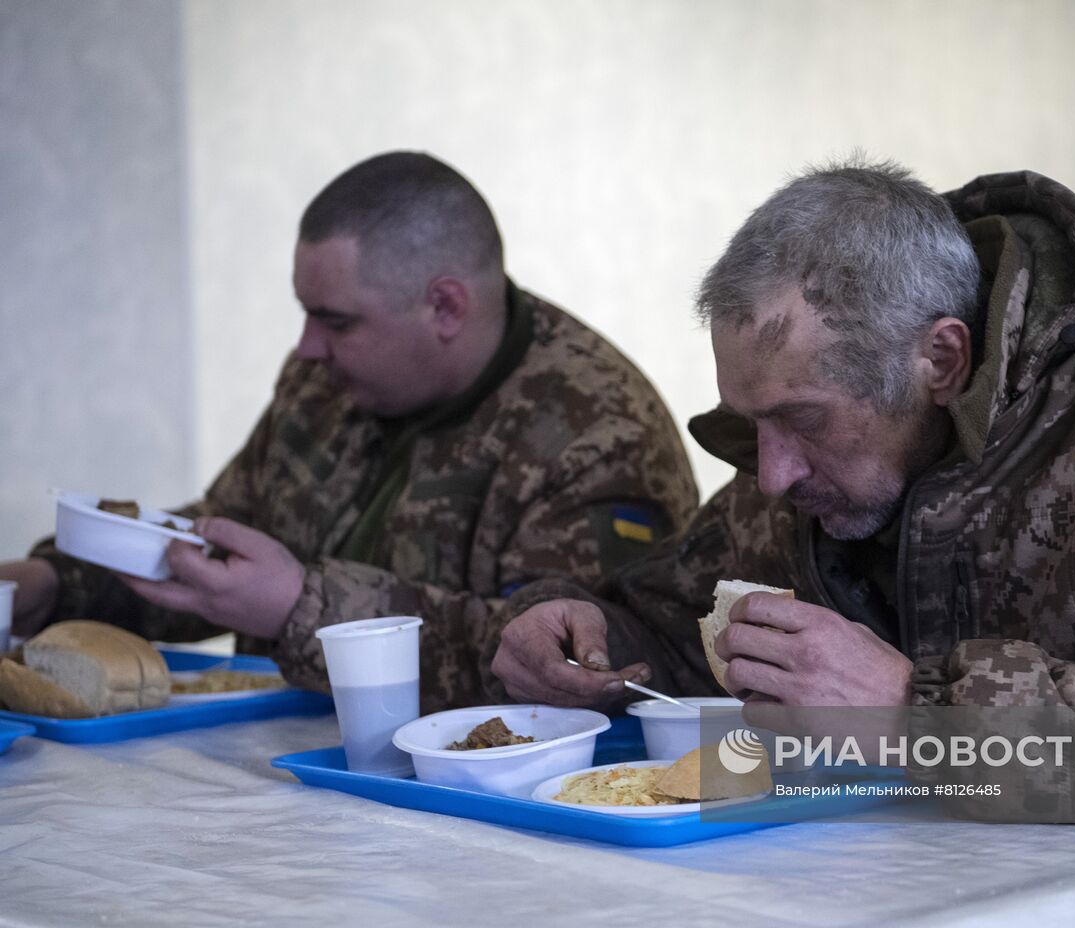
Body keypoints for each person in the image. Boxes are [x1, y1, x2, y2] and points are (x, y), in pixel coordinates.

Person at [489, 160, 1075, 716]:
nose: (770, 476)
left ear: (941, 358)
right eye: (752, 424)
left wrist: (918, 712)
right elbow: (677, 626)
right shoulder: (816, 461)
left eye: (801, 420)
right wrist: (586, 631)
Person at [2, 151, 697, 713]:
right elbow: (220, 544)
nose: (307, 347)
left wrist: (300, 607)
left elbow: (564, 672)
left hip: (484, 815)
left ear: (445, 307)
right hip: (287, 774)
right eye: (306, 314)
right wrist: (59, 584)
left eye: (335, 320)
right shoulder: (323, 382)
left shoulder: (597, 430)